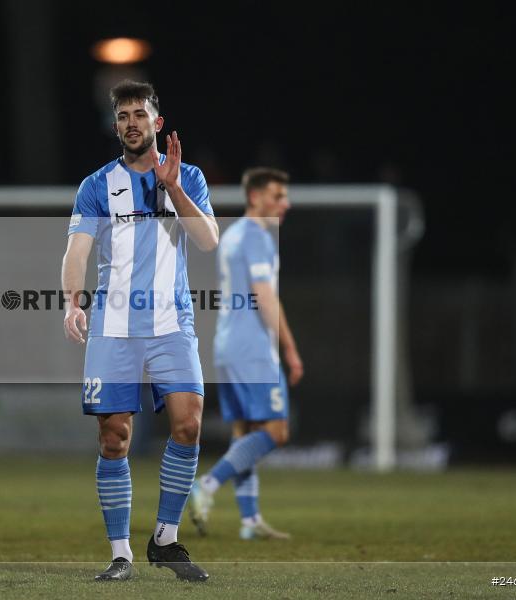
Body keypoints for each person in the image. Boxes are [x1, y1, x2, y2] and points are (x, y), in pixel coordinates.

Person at [61, 80, 218, 582]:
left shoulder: (188, 177)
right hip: (114, 325)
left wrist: (172, 188)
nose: (132, 122)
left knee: (189, 425)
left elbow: (208, 240)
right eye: (123, 115)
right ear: (116, 126)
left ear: (158, 122)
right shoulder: (96, 185)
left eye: (140, 114)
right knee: (114, 437)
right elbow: (78, 250)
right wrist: (71, 301)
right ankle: (121, 552)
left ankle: (166, 540)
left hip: (173, 322)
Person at [189, 167, 303, 540]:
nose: (284, 203)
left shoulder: (234, 234)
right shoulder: (256, 236)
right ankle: (208, 483)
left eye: (284, 196)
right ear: (255, 197)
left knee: (245, 434)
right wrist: (288, 347)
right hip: (252, 347)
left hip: (227, 344)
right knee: (276, 431)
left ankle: (250, 520)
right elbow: (265, 297)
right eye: (276, 195)